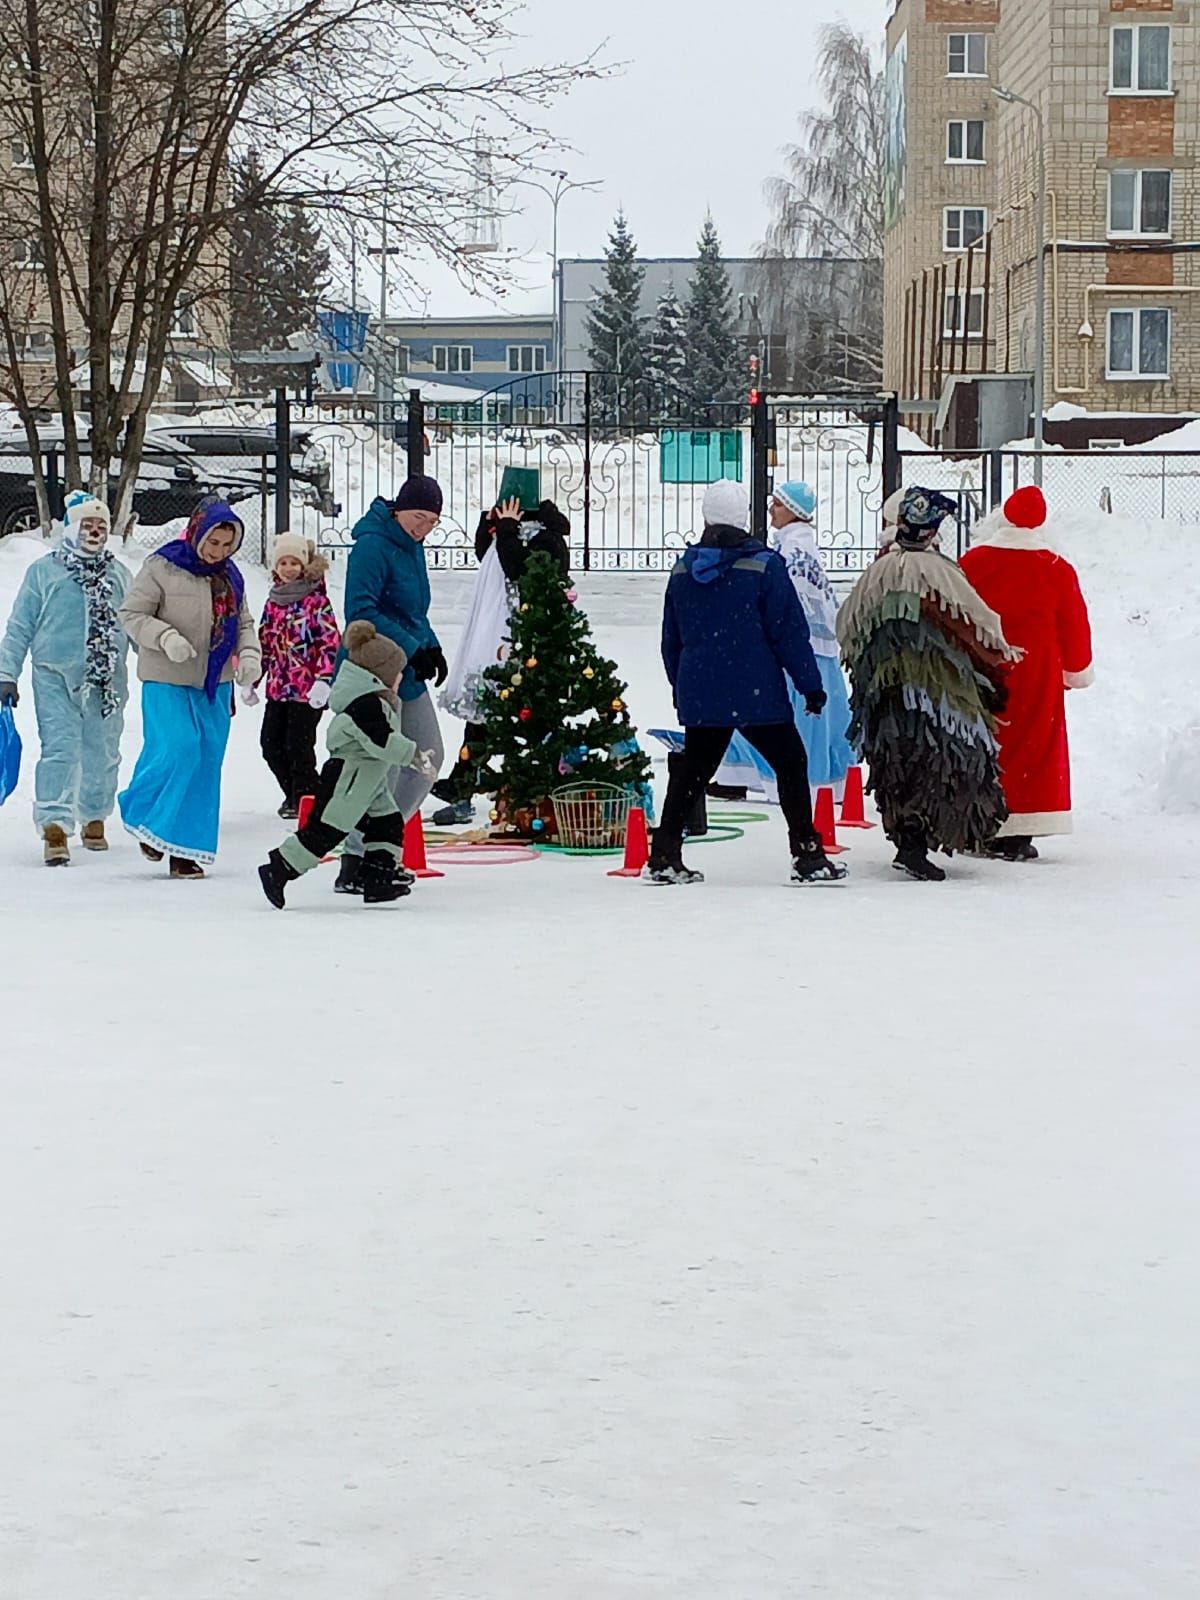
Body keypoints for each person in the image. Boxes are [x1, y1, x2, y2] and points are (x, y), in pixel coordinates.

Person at [647, 479, 847, 887]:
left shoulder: (684, 568)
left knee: (694, 773)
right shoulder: (764, 566)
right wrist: (811, 685)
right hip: (757, 694)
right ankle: (806, 852)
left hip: (703, 690)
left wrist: (681, 686)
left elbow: (671, 638)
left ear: (706, 517)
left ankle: (665, 853)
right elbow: (789, 632)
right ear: (744, 519)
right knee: (791, 764)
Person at [837, 486, 1018, 882]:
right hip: (938, 697)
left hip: (887, 694)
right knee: (941, 763)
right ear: (933, 531)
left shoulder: (879, 572)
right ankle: (932, 838)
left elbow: (849, 626)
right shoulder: (940, 573)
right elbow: (974, 624)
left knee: (898, 763)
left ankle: (910, 842)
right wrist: (993, 661)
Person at [118, 498, 260, 878]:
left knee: (206, 760)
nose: (219, 551)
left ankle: (183, 848)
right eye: (214, 542)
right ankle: (146, 814)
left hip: (215, 684)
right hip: (167, 677)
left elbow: (244, 623)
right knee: (179, 748)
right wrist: (164, 637)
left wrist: (249, 656)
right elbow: (132, 615)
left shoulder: (231, 577)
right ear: (198, 532)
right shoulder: (162, 566)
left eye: (227, 545)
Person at [258, 622, 437, 910]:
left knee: (387, 823)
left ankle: (378, 876)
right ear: (378, 675)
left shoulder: (374, 700)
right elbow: (382, 741)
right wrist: (414, 756)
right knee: (325, 832)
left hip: (368, 781)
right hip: (347, 781)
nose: (400, 680)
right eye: (397, 675)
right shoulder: (364, 705)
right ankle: (279, 868)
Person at [959, 485, 1094, 859]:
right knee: (1032, 747)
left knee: (983, 741)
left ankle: (979, 820)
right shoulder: (1055, 568)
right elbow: (1073, 623)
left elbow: (955, 607)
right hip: (1037, 669)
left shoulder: (974, 560)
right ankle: (1020, 828)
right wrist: (1076, 667)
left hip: (982, 663)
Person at [0, 490, 132, 865]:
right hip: (53, 675)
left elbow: (138, 624)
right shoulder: (45, 571)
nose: (94, 532)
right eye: (87, 525)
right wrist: (6, 672)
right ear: (71, 528)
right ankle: (55, 825)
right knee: (60, 748)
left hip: (106, 681)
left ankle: (94, 815)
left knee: (103, 751)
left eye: (101, 526)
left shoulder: (119, 573)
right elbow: (20, 625)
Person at [334, 476, 446, 894]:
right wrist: (413, 647)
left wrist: (431, 648)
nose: (424, 529)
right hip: (372, 671)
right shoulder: (372, 545)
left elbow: (414, 610)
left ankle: (378, 850)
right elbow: (359, 612)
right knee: (375, 767)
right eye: (419, 518)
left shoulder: (411, 547)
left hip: (407, 671)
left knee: (425, 759)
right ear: (399, 509)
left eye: (432, 523)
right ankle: (357, 858)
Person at [432, 494, 572, 826]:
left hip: (533, 644)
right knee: (485, 707)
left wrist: (508, 529)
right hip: (499, 638)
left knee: (535, 715)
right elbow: (488, 555)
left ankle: (536, 788)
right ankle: (465, 781)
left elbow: (520, 570)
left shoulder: (548, 539)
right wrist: (491, 522)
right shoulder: (510, 533)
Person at [720, 481, 855, 798]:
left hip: (796, 652)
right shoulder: (799, 547)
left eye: (778, 505)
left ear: (794, 512)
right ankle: (823, 781)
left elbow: (789, 603)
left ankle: (783, 780)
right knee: (821, 721)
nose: (771, 510)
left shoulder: (792, 553)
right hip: (816, 651)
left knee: (778, 715)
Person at [256, 532, 341, 819]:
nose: (289, 568)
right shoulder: (273, 602)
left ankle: (305, 798)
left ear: (304, 565)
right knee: (271, 744)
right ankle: (298, 792)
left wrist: (323, 679)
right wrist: (254, 677)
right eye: (284, 563)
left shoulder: (316, 602)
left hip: (307, 691)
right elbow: (265, 641)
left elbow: (331, 643)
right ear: (275, 568)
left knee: (298, 746)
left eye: (295, 562)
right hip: (278, 688)